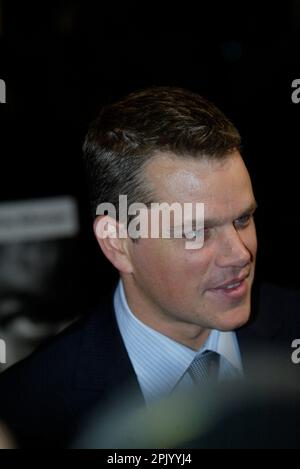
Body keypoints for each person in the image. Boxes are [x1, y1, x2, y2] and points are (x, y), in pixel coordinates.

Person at [0, 87, 299, 448]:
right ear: (118, 244)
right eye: (196, 231)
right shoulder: (27, 410)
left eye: (243, 218)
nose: (239, 254)